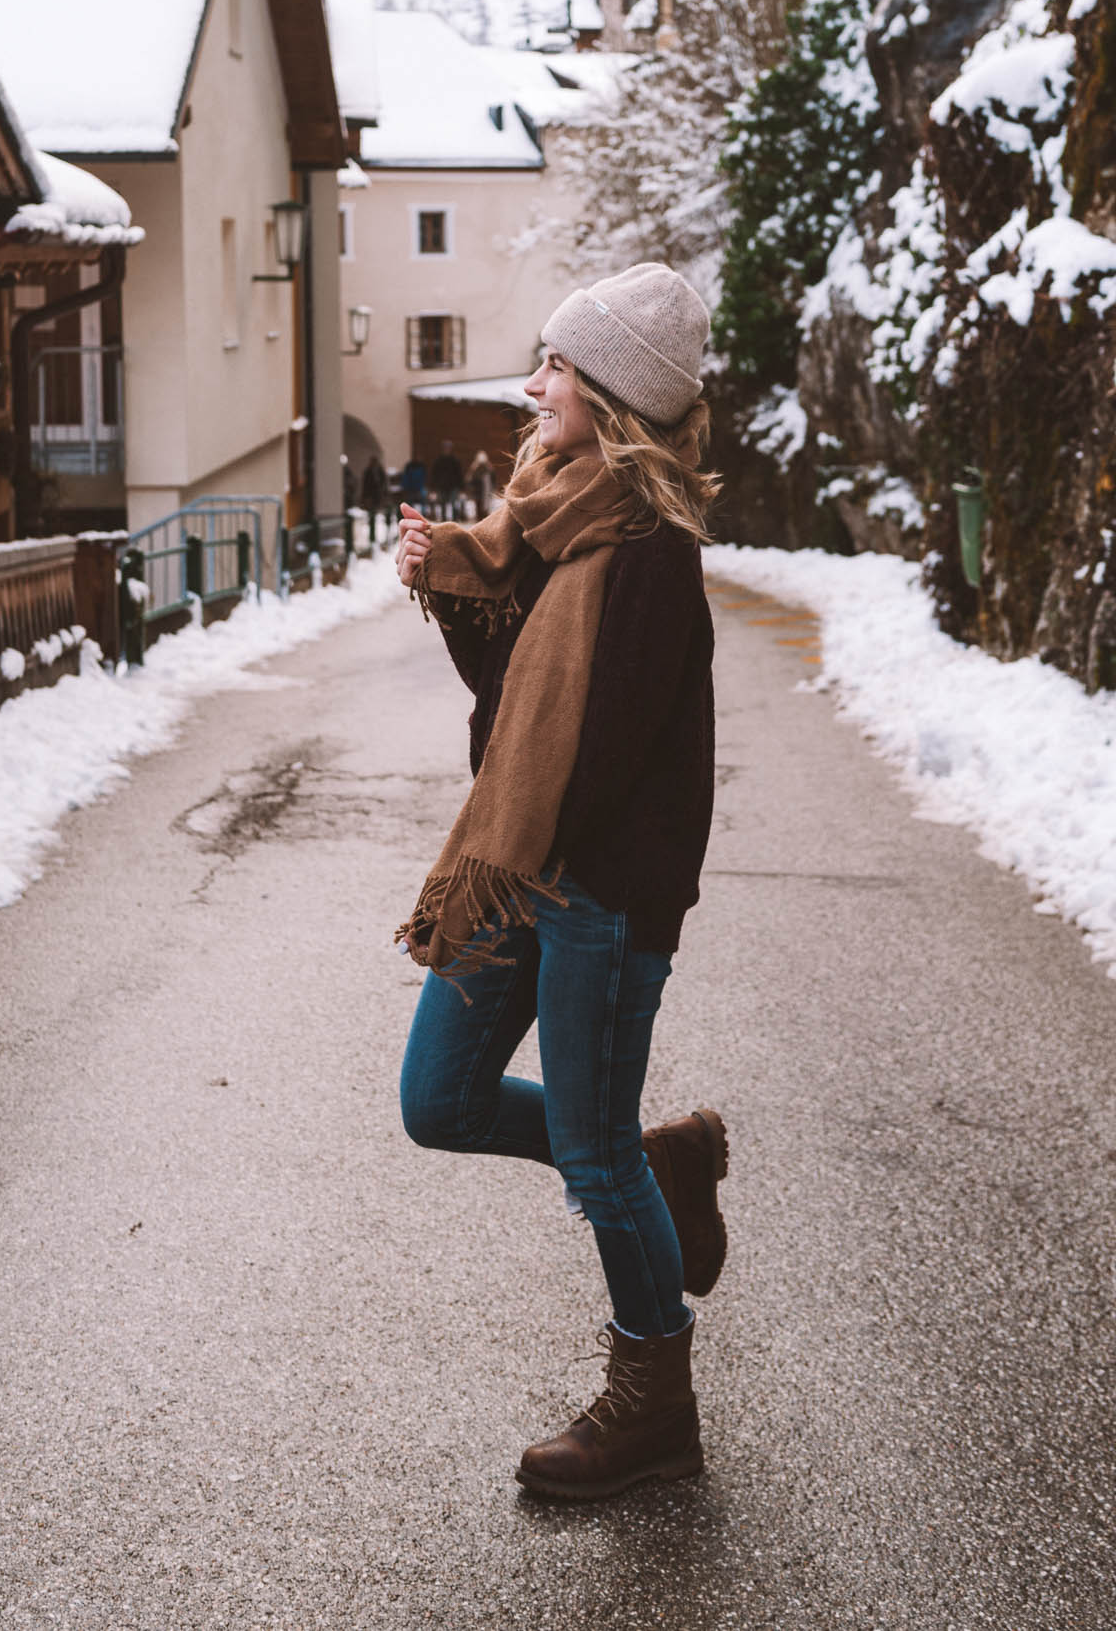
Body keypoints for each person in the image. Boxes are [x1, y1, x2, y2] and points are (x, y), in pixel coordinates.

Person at [393, 262, 727, 1500]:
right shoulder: (549, 511)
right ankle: (650, 1163)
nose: (534, 386)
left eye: (558, 368)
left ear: (613, 395)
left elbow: (597, 755)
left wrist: (544, 865)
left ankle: (653, 1402)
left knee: (590, 1160)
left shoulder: (646, 552)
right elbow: (511, 709)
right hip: (525, 867)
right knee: (439, 1100)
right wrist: (457, 588)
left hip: (600, 891)